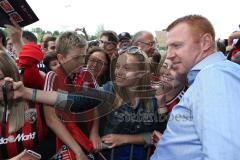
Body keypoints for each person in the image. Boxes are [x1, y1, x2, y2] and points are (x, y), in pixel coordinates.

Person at [151, 15, 240, 160]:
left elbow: (227, 155)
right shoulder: (209, 76)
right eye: (168, 47)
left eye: (177, 45)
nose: (169, 55)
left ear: (205, 42)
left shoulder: (215, 75)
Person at [0, 51, 53, 159]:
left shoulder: (37, 104)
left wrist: (32, 155)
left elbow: (53, 140)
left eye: (0, 78)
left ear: (13, 76)